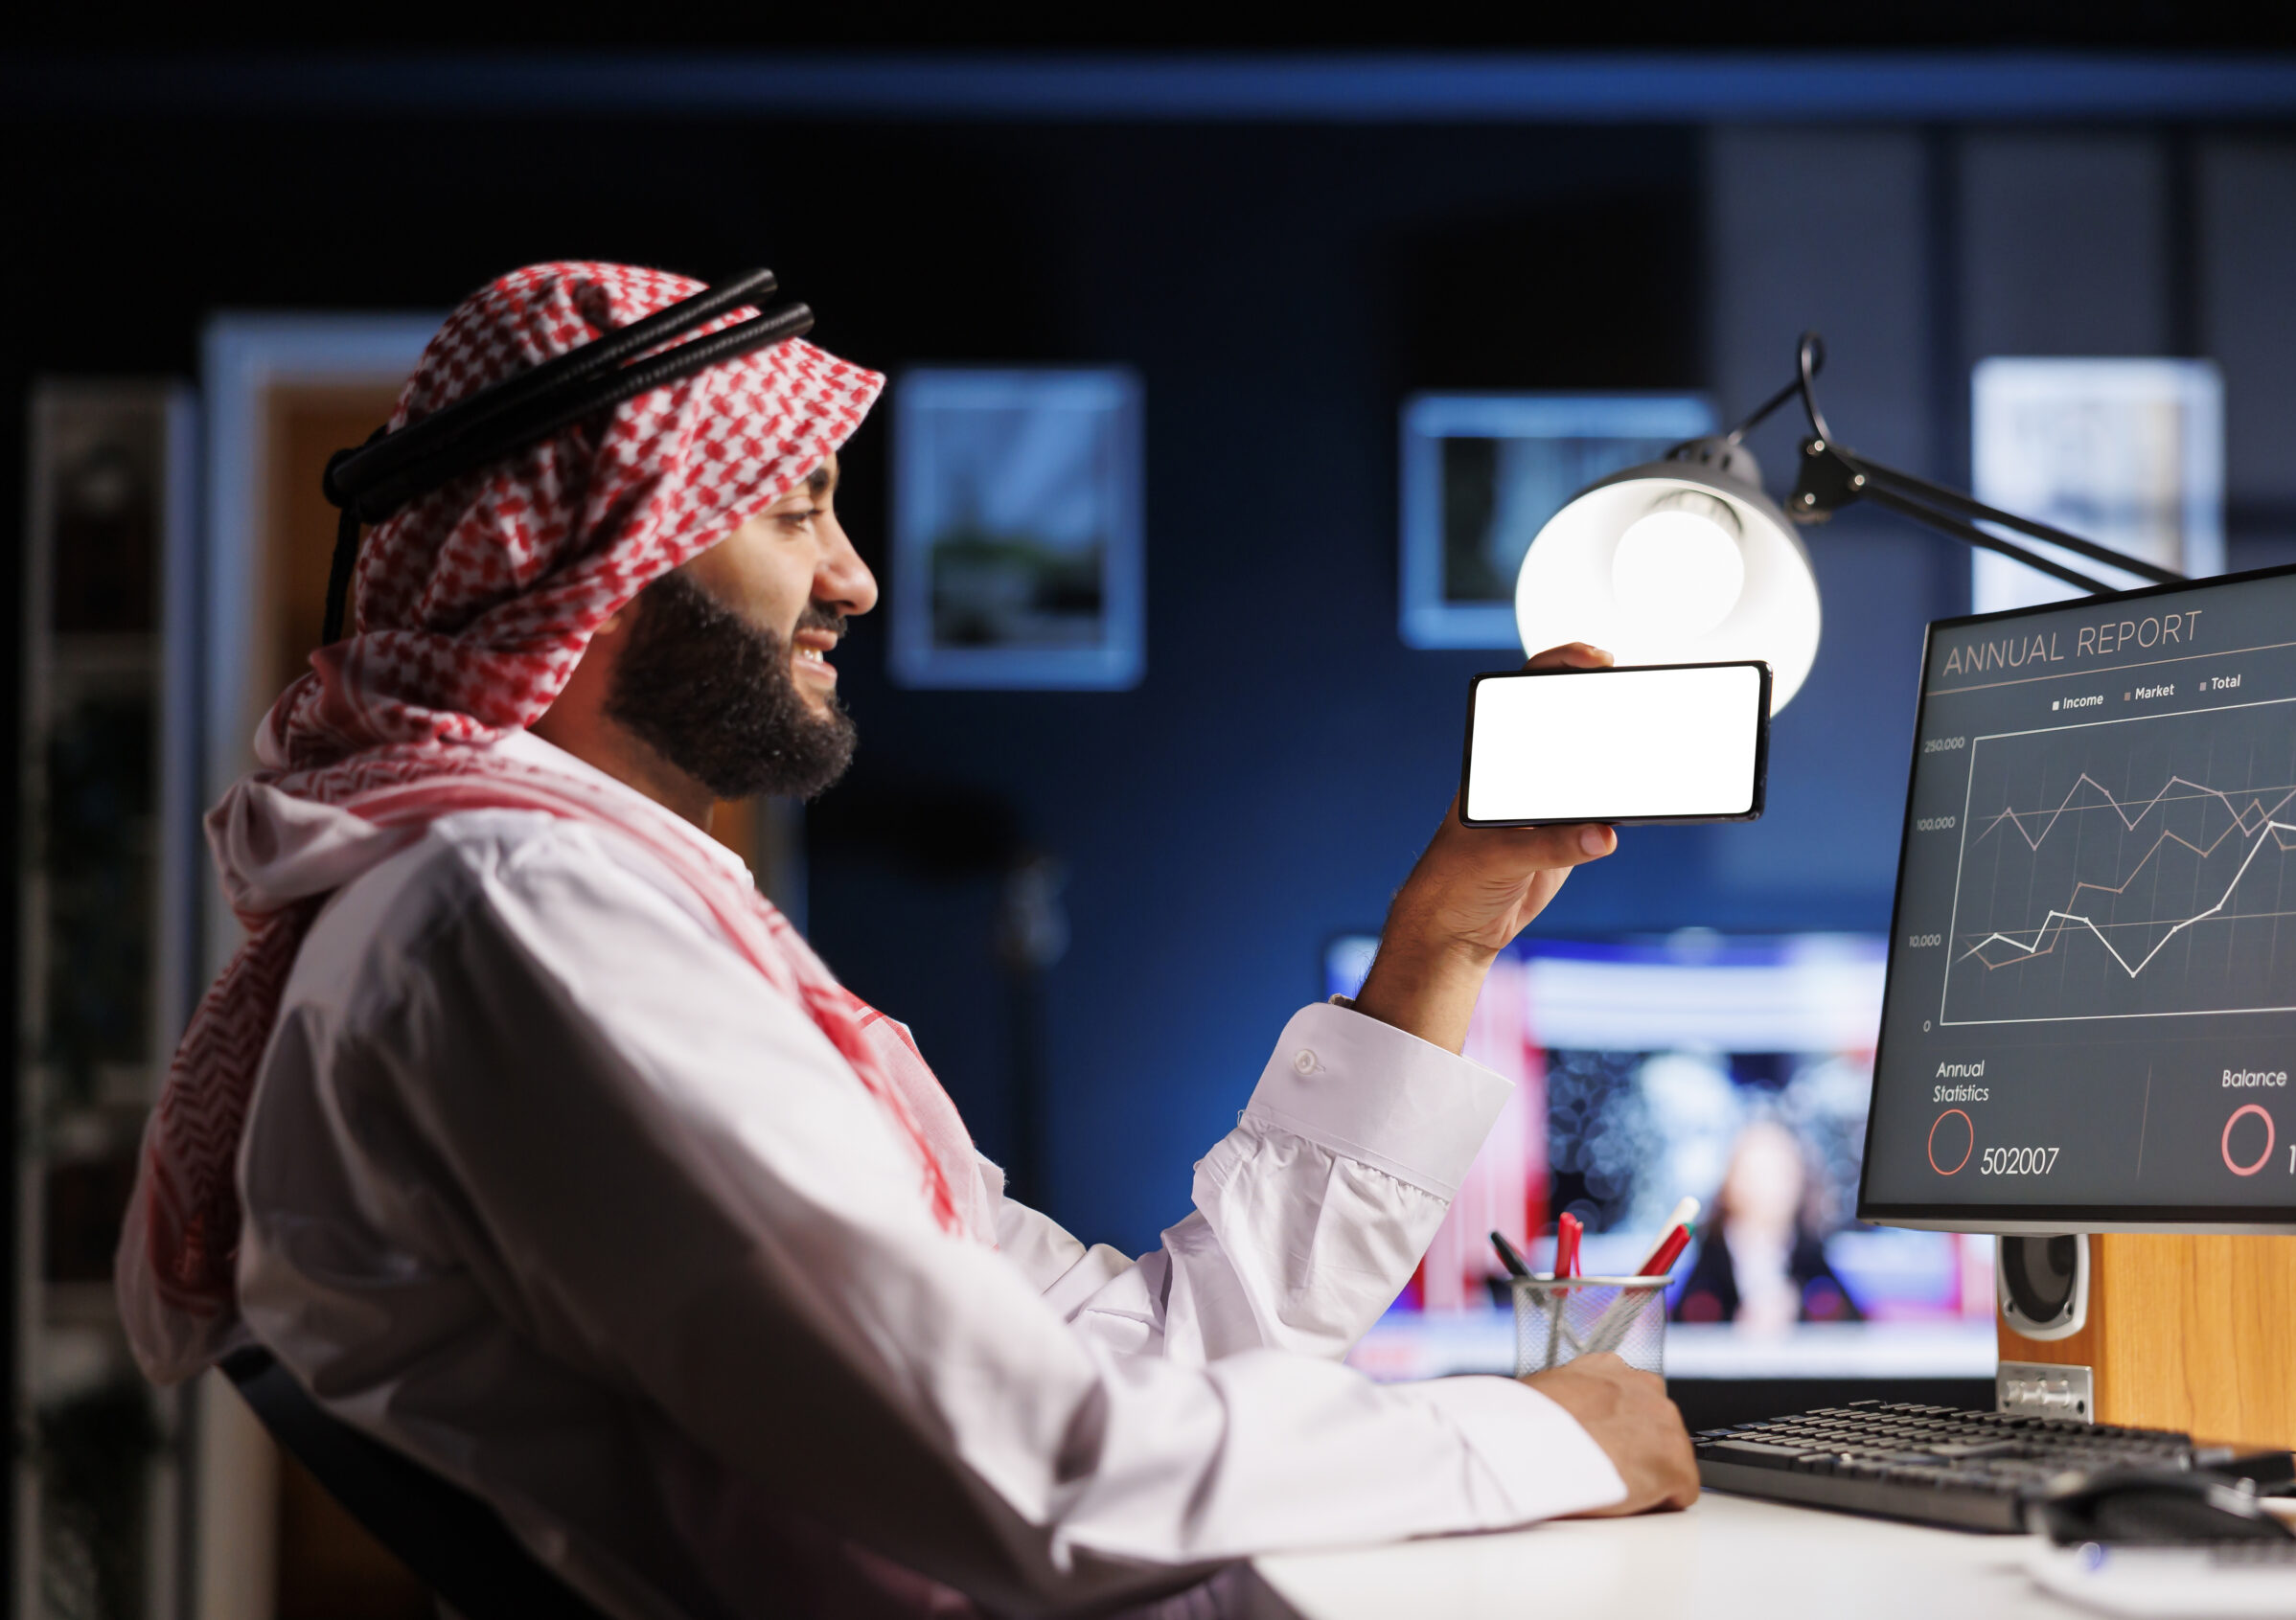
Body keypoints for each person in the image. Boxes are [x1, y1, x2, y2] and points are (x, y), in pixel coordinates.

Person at [115, 262, 1695, 1620]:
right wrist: (1544, 1436)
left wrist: (1441, 944)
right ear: (595, 567)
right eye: (795, 512)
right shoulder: (514, 916)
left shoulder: (564, 905)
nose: (853, 580)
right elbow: (1032, 1469)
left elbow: (1149, 1359)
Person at [1673, 1119, 1861, 1330]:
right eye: (1758, 1172)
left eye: (1782, 1172)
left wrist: (1796, 1313)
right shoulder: (1710, 1256)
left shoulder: (1811, 1257)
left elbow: (1853, 1330)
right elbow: (1682, 1332)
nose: (1771, 1187)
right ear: (1731, 1182)